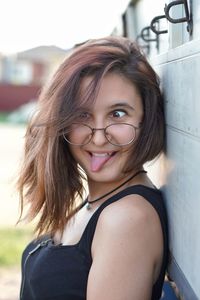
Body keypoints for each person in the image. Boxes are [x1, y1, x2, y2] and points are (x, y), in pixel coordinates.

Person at [18, 36, 168, 300]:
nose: (99, 137)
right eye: (82, 115)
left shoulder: (127, 218)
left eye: (118, 113)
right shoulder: (100, 201)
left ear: (146, 120)